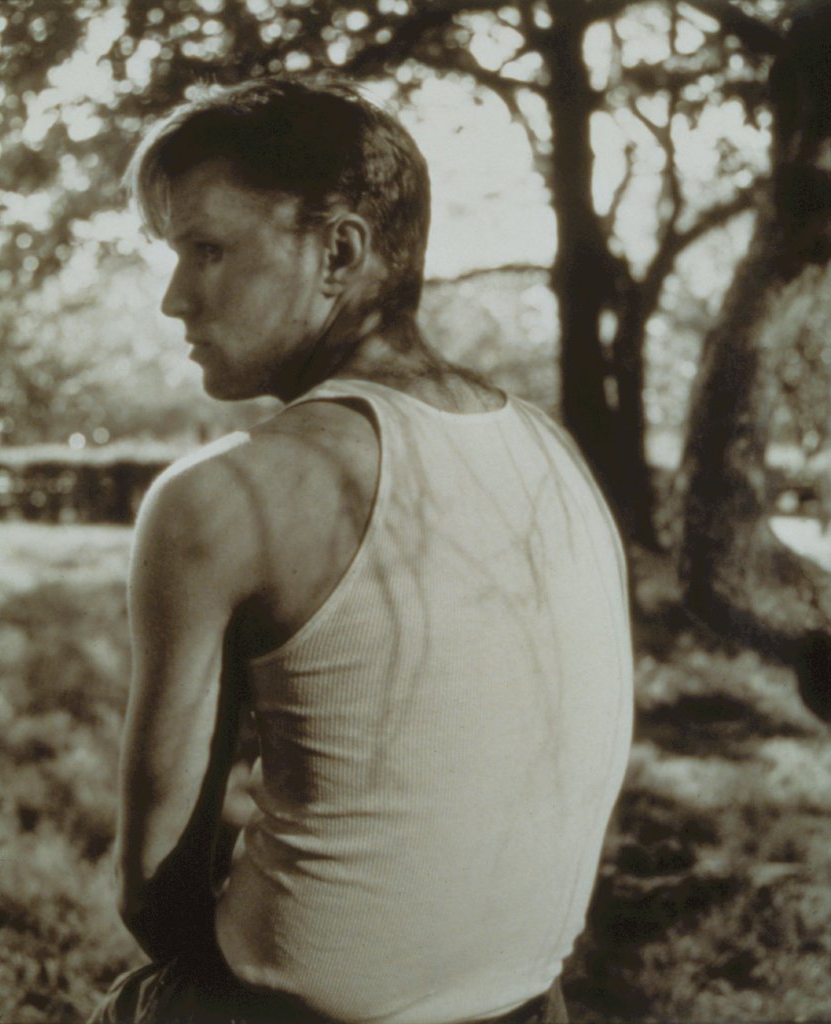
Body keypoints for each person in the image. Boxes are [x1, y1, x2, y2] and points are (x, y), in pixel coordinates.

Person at [91, 77, 633, 1024]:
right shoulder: (550, 454)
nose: (175, 298)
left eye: (207, 249)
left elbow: (154, 893)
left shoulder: (226, 497)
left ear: (337, 251)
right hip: (530, 1004)